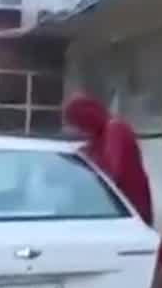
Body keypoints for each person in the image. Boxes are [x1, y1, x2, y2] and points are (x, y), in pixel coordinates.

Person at [62, 93, 154, 225]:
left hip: (127, 209)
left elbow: (114, 173)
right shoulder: (100, 135)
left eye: (79, 123)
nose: (81, 130)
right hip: (117, 209)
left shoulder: (115, 129)